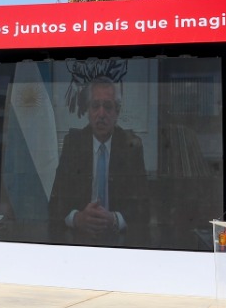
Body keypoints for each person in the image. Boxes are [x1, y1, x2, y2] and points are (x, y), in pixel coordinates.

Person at [47, 78, 149, 246]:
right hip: (79, 241)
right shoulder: (73, 144)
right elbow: (55, 204)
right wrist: (77, 218)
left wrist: (114, 219)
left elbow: (143, 209)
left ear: (117, 112)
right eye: (95, 106)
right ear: (88, 110)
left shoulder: (131, 147)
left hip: (119, 242)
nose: (101, 114)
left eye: (108, 107)